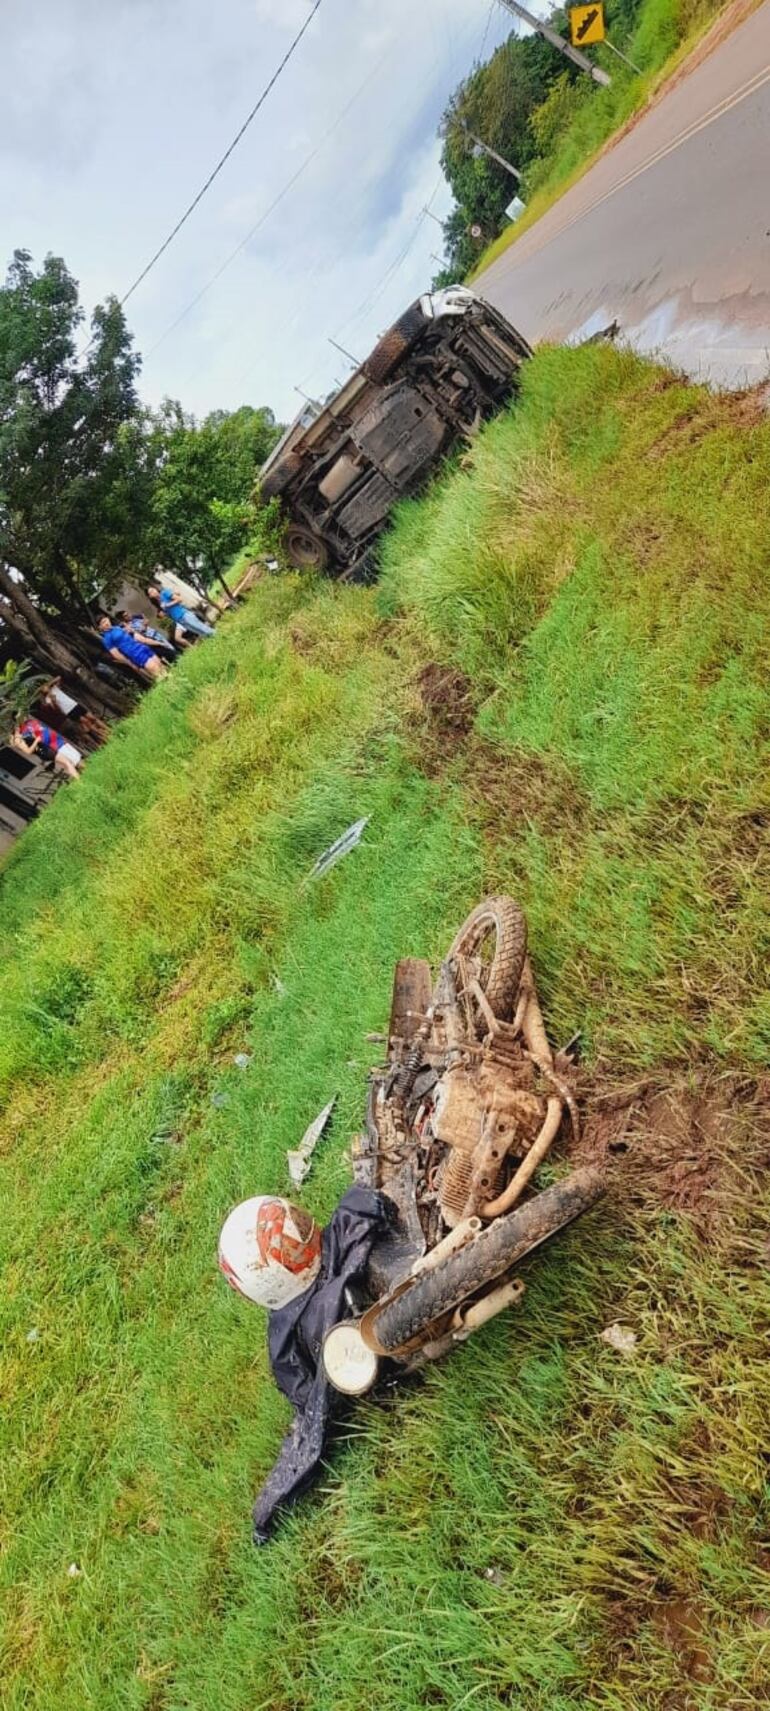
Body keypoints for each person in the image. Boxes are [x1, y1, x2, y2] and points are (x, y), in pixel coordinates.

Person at [98, 616, 168, 680]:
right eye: (103, 623)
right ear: (100, 627)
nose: (106, 623)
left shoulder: (117, 627)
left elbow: (132, 635)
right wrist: (130, 663)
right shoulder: (107, 639)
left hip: (141, 646)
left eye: (106, 620)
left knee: (160, 665)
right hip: (134, 654)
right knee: (155, 670)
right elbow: (116, 655)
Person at [13, 717, 83, 780]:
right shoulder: (22, 735)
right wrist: (37, 741)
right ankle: (80, 779)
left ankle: (80, 776)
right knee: (69, 762)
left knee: (71, 760)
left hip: (52, 744)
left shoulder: (30, 723)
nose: (24, 716)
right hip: (49, 748)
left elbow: (40, 731)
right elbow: (30, 748)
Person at [148, 585, 215, 640]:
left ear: (156, 589)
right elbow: (169, 613)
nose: (153, 592)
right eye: (150, 592)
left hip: (184, 614)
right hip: (179, 620)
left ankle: (216, 634)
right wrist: (164, 614)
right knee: (198, 631)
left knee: (200, 627)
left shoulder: (164, 593)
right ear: (150, 596)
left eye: (153, 590)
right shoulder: (159, 603)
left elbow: (179, 599)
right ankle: (213, 639)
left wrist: (168, 605)